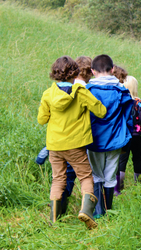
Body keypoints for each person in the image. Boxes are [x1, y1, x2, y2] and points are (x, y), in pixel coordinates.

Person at [37, 56, 107, 229]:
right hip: (75, 144)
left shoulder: (48, 94)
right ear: (74, 72)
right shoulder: (80, 92)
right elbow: (101, 111)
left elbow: (41, 119)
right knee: (85, 177)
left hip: (54, 145)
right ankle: (86, 212)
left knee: (58, 179)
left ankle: (54, 219)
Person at [86, 54, 134, 218]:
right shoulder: (122, 91)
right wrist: (126, 139)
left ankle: (98, 212)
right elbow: (129, 118)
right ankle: (107, 211)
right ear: (112, 69)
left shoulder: (87, 91)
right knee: (110, 175)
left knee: (96, 175)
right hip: (116, 139)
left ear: (92, 71)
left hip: (93, 140)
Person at [115, 76, 141, 195]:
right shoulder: (138, 102)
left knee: (122, 160)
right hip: (136, 134)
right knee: (137, 158)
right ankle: (138, 183)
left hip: (123, 135)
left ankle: (118, 188)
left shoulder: (121, 100)